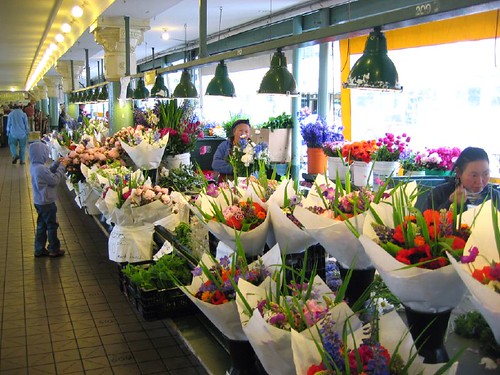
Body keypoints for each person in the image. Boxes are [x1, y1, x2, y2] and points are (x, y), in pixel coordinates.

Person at [425, 146, 500, 211]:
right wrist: (450, 203)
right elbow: (425, 224)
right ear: (458, 173)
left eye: (485, 174)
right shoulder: (439, 194)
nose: (480, 181)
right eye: (474, 175)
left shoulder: (494, 195)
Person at [29, 142, 68, 257]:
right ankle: (53, 249)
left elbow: (47, 174)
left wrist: (56, 164)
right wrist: (62, 167)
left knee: (42, 225)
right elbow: (54, 180)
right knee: (52, 225)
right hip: (47, 202)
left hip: (39, 201)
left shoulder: (35, 166)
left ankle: (39, 249)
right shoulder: (41, 169)